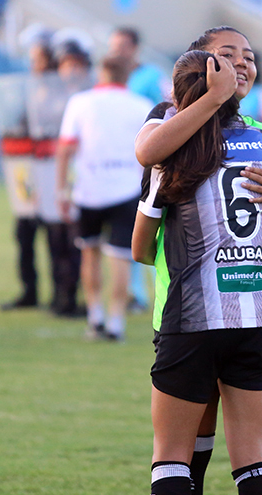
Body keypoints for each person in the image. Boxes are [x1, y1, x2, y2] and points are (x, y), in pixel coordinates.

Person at [133, 47, 262, 495]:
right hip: (256, 317)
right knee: (254, 458)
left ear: (180, 91)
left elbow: (140, 249)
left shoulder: (174, 151)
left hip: (190, 318)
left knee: (173, 457)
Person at [56, 56, 152, 341]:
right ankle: (116, 323)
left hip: (88, 190)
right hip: (126, 189)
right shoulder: (141, 106)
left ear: (101, 73)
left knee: (90, 252)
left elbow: (65, 149)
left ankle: (94, 317)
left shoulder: (80, 102)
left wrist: (62, 190)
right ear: (127, 76)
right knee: (120, 258)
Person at [108, 26, 169, 314]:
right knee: (127, 232)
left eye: (122, 45)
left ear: (134, 47)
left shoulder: (151, 77)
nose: (117, 50)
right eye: (113, 45)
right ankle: (136, 294)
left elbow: (166, 114)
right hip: (118, 163)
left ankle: (155, 292)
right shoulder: (108, 78)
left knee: (151, 229)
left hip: (145, 165)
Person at [0, 38, 56, 311]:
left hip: (51, 172)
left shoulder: (58, 94)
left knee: (57, 237)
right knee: (24, 235)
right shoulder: (29, 92)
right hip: (29, 174)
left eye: (38, 59)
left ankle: (62, 294)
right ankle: (29, 290)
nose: (33, 65)